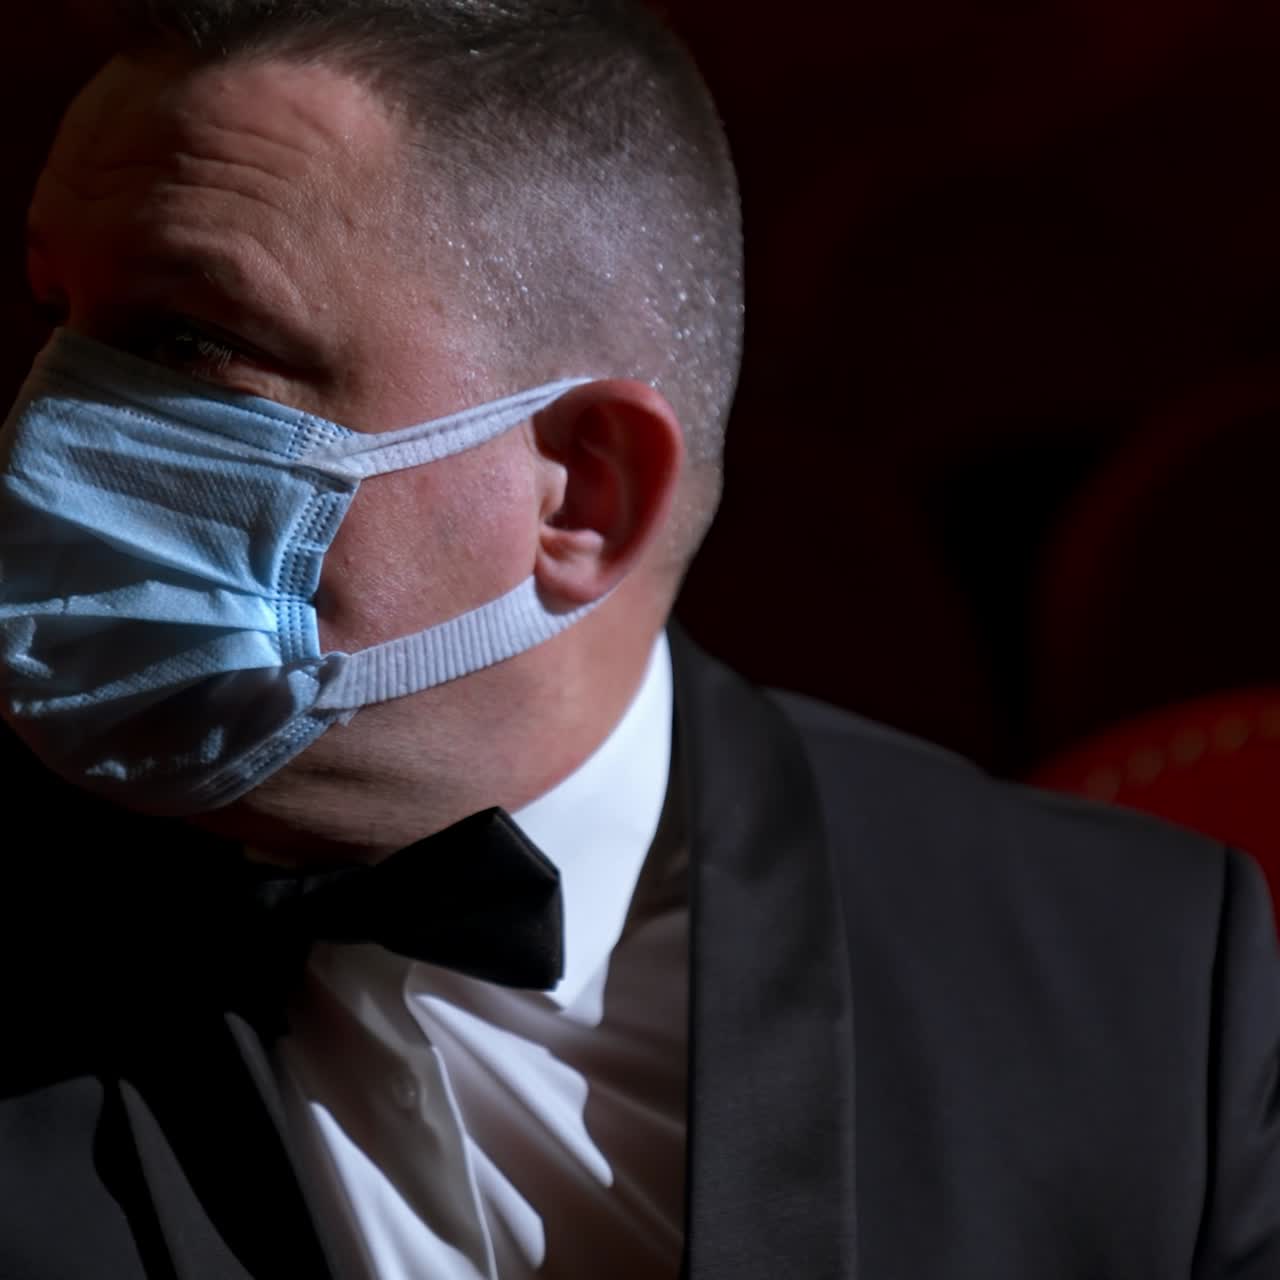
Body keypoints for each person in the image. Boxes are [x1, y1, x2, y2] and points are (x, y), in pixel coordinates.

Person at [0, 2, 1277, 1278]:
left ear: (581, 492)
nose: (44, 435)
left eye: (188, 341)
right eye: (57, 315)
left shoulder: (1145, 989)